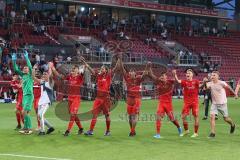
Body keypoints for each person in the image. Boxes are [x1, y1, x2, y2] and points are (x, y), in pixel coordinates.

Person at [81, 56, 120, 136]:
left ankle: (108, 131)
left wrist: (118, 60)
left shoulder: (108, 76)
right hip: (98, 99)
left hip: (106, 99)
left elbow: (115, 69)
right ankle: (91, 131)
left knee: (107, 115)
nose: (101, 69)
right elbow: (91, 70)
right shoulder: (98, 76)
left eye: (102, 68)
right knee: (94, 114)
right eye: (101, 68)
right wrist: (85, 63)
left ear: (106, 70)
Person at [51, 64, 85, 136]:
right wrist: (53, 68)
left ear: (78, 70)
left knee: (73, 114)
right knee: (73, 114)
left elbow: (83, 72)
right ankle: (81, 128)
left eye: (75, 68)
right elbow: (60, 76)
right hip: (70, 98)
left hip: (76, 98)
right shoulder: (69, 76)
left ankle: (68, 131)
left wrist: (84, 66)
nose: (73, 69)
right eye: (73, 68)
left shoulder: (80, 77)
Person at [149, 67, 182, 138]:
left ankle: (179, 127)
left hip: (168, 104)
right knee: (158, 116)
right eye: (161, 76)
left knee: (172, 118)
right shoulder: (158, 82)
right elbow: (152, 76)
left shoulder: (170, 81)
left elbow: (177, 82)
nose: (162, 77)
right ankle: (158, 134)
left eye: (164, 76)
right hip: (161, 103)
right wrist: (149, 68)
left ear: (166, 77)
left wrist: (174, 74)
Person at [119, 57, 148, 136]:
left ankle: (132, 131)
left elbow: (144, 74)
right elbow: (122, 69)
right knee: (130, 117)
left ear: (135, 73)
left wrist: (147, 67)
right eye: (130, 72)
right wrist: (120, 60)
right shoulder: (127, 79)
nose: (131, 73)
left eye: (132, 72)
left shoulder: (138, 79)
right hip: (129, 99)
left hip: (136, 99)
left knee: (134, 115)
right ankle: (132, 130)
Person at [173, 68, 204, 138]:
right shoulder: (184, 82)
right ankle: (186, 130)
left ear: (192, 75)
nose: (187, 74)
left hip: (194, 102)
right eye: (187, 73)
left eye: (189, 73)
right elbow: (178, 81)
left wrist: (204, 82)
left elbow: (200, 86)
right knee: (183, 116)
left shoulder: (196, 81)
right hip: (186, 103)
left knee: (195, 116)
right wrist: (174, 74)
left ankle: (196, 133)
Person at [205, 71, 236, 138]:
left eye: (214, 75)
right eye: (212, 75)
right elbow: (205, 88)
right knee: (212, 117)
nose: (212, 76)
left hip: (223, 104)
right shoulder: (210, 83)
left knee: (226, 119)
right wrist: (205, 82)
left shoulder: (222, 83)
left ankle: (233, 124)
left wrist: (235, 94)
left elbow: (229, 87)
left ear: (218, 77)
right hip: (214, 104)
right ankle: (213, 133)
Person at [12, 51, 34, 135]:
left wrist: (27, 58)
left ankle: (29, 128)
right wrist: (14, 60)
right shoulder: (23, 75)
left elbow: (30, 66)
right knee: (24, 112)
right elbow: (16, 69)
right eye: (24, 68)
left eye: (26, 68)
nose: (25, 69)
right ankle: (26, 127)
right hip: (24, 96)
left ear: (28, 70)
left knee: (24, 112)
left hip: (29, 96)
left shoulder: (30, 75)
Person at [32, 64, 55, 136]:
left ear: (48, 75)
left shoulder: (50, 82)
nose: (44, 75)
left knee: (41, 115)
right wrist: (33, 68)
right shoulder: (42, 82)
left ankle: (42, 131)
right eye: (43, 74)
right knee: (39, 116)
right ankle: (50, 127)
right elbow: (33, 77)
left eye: (46, 74)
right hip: (41, 101)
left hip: (47, 101)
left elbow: (51, 76)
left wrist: (50, 67)